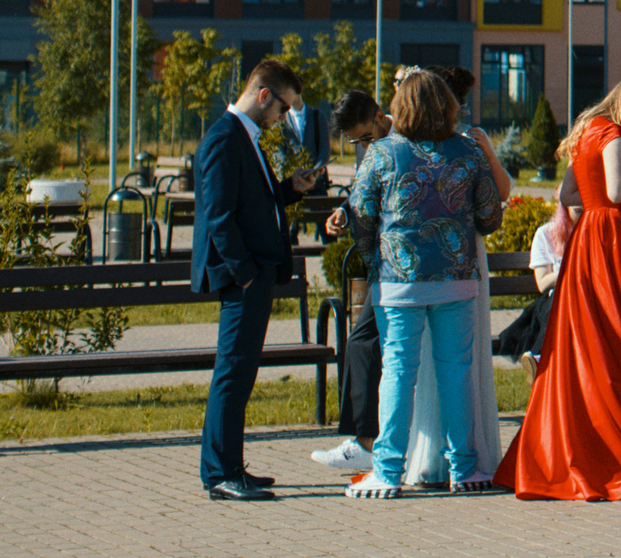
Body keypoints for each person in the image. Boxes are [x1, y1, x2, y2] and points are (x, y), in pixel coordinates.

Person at [496, 72, 621, 499]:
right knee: (619, 334)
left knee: (588, 338)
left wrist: (598, 196)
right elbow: (617, 191)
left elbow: (567, 195)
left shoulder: (587, 130)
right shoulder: (615, 134)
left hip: (585, 239)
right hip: (610, 239)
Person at [341, 67, 506, 498]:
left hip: (398, 283)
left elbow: (361, 215)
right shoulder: (467, 152)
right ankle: (465, 469)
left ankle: (388, 471)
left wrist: (375, 259)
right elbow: (490, 216)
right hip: (456, 280)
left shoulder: (381, 154)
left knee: (398, 371)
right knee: (457, 373)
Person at [193, 58, 322, 499]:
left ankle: (230, 467)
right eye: (283, 108)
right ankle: (220, 473)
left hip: (253, 272)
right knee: (232, 373)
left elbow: (252, 200)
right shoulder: (224, 139)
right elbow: (219, 216)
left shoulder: (243, 136)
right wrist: (245, 274)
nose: (283, 118)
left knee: (240, 372)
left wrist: (289, 188)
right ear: (264, 95)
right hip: (243, 277)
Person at [309, 89, 393, 473]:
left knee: (362, 343)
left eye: (365, 137)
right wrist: (344, 211)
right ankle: (368, 440)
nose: (363, 146)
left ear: (379, 115)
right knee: (365, 344)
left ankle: (365, 442)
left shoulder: (401, 140)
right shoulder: (368, 146)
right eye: (356, 142)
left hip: (396, 265)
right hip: (377, 262)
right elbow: (363, 189)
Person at [491, 203, 569, 383]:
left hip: (585, 302)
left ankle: (539, 360)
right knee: (558, 305)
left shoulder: (591, 231)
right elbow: (542, 284)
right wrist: (571, 267)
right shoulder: (546, 234)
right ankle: (540, 360)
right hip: (554, 299)